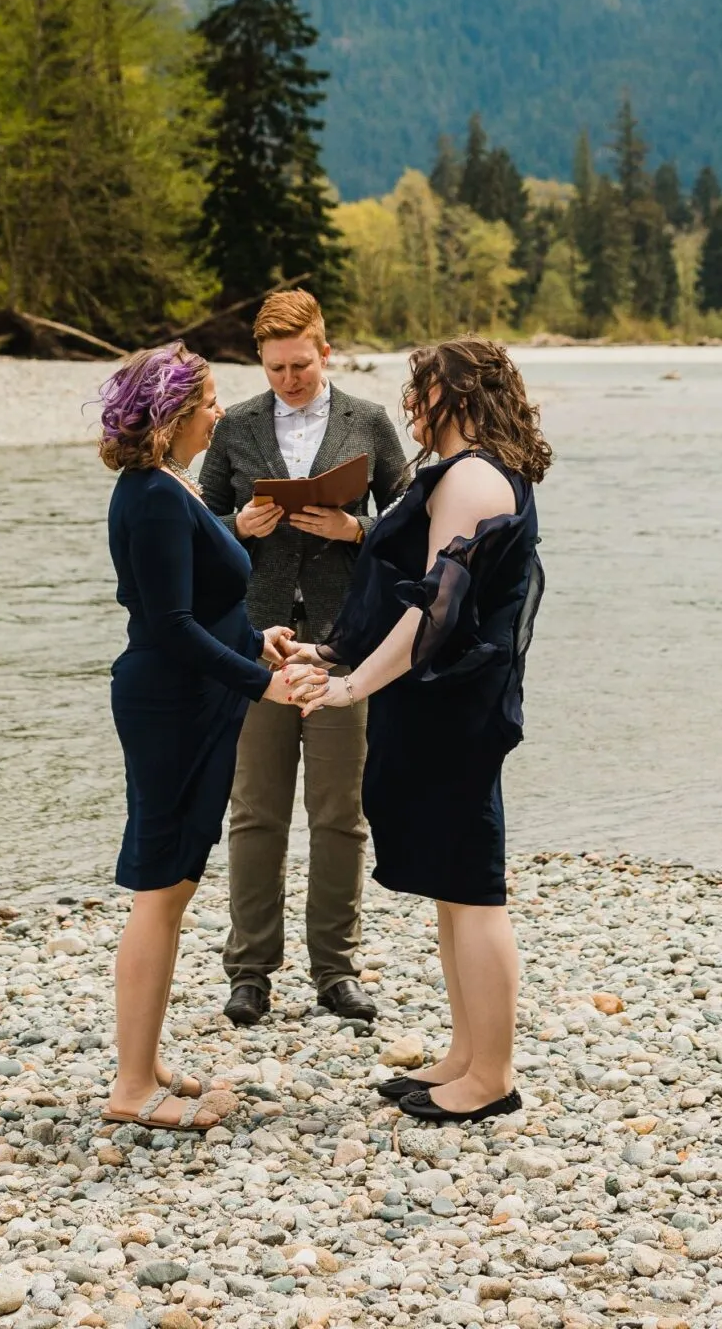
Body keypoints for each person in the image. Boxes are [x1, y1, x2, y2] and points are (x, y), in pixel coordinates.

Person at [289, 337, 547, 1123]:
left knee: (474, 888)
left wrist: (349, 685)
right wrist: (329, 648)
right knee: (451, 885)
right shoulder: (469, 472)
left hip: (458, 708)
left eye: (424, 389)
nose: (412, 402)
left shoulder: (472, 479)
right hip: (445, 701)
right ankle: (465, 1054)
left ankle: (491, 1075)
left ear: (460, 397)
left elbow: (432, 610)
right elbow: (405, 591)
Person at [100, 341, 304, 1131]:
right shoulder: (150, 496)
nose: (221, 413)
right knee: (161, 888)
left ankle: (144, 1061)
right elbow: (170, 626)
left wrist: (256, 642)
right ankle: (129, 1087)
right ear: (176, 414)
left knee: (173, 884)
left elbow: (198, 611)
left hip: (193, 696)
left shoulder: (164, 486)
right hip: (171, 706)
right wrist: (261, 681)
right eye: (211, 401)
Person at [199, 287, 408, 1028]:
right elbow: (200, 532)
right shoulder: (235, 427)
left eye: (299, 365)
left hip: (343, 646)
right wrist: (239, 525)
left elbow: (411, 530)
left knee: (340, 816)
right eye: (274, 367)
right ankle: (250, 972)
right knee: (255, 814)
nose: (287, 379)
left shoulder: (370, 423)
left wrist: (357, 531)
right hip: (254, 646)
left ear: (326, 351)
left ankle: (336, 971)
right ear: (260, 360)